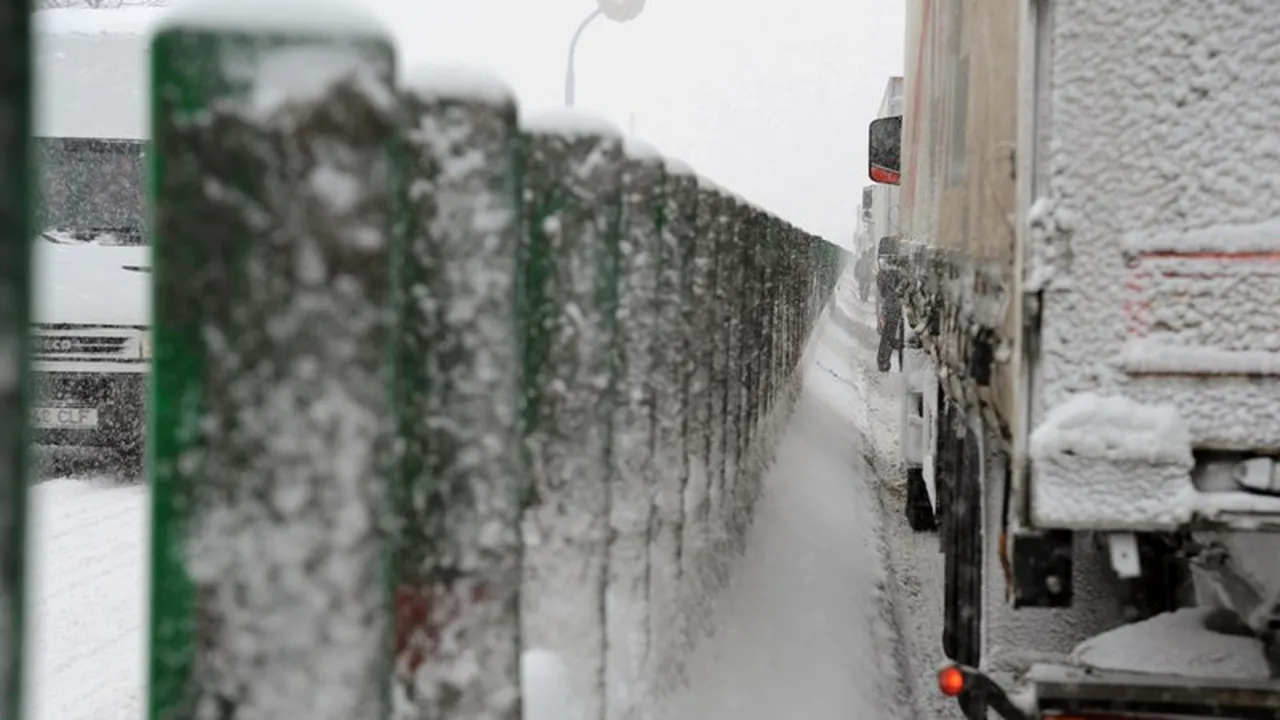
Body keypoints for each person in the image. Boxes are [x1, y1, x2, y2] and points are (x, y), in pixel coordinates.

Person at [875, 236, 905, 372]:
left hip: (891, 306)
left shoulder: (883, 274)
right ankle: (884, 361)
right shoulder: (892, 275)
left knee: (888, 333)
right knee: (889, 333)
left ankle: (883, 361)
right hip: (893, 307)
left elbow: (882, 292)